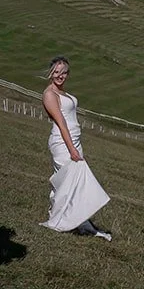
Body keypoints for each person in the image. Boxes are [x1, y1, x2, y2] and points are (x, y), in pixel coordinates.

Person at [38, 54, 112, 240]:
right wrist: (71, 149)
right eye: (56, 72)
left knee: (71, 181)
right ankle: (64, 220)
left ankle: (76, 220)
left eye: (64, 73)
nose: (60, 76)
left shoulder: (64, 94)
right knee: (69, 181)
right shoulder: (49, 94)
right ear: (50, 73)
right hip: (63, 142)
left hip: (74, 140)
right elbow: (61, 122)